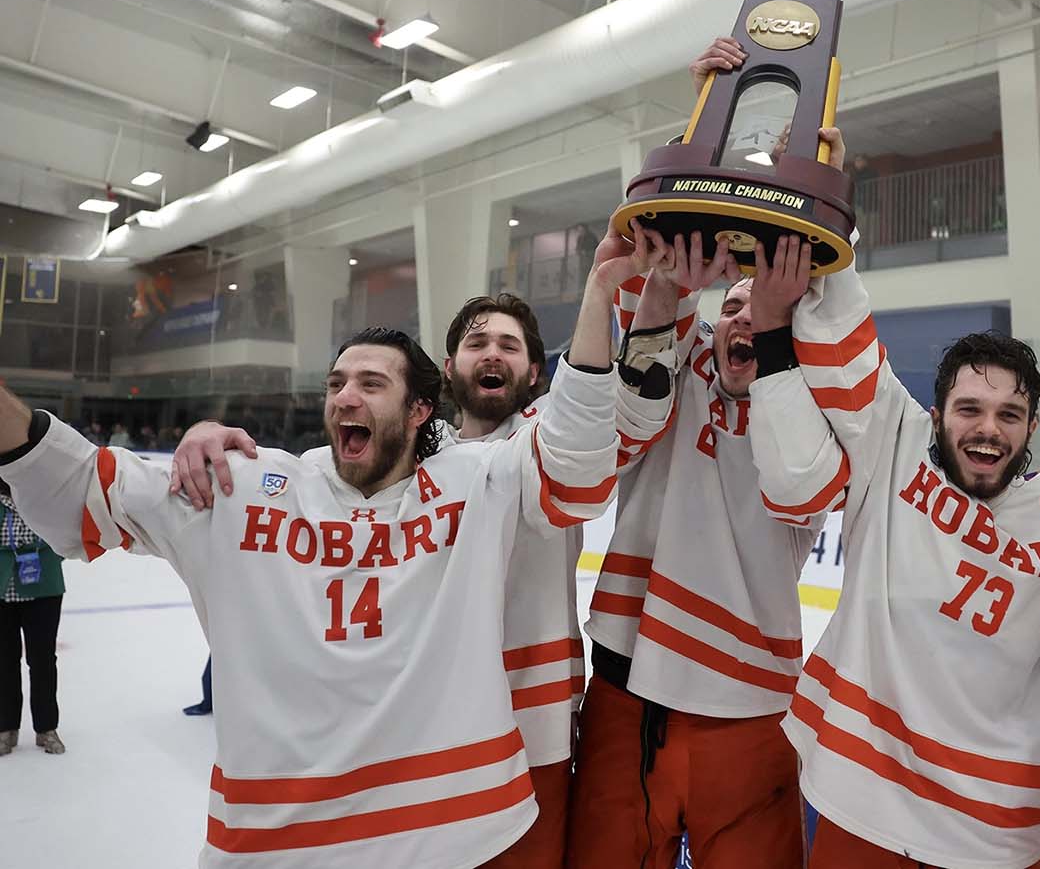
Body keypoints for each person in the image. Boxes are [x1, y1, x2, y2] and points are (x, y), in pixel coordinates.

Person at [0, 233, 653, 867]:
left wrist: (601, 291)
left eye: (371, 383)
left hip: (463, 816)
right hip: (285, 840)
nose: (346, 395)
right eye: (337, 382)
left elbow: (575, 458)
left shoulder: (481, 478)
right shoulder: (245, 484)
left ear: (421, 408)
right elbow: (76, 483)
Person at [175, 232, 717, 869]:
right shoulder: (405, 461)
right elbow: (310, 478)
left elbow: (628, 412)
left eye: (510, 346)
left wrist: (658, 294)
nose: (493, 354)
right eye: (477, 343)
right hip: (423, 726)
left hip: (531, 716)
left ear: (535, 373)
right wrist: (206, 432)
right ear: (449, 368)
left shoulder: (552, 440)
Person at [747, 221, 1040, 867]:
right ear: (936, 415)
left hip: (997, 833)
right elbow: (844, 333)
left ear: (1030, 430)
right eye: (969, 409)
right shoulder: (894, 442)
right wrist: (824, 205)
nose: (988, 430)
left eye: (1009, 416)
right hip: (864, 803)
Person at [566, 41, 838, 869]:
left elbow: (800, 492)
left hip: (750, 700)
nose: (745, 316)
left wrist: (824, 174)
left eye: (767, 308)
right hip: (624, 684)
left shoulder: (811, 409)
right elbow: (625, 425)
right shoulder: (673, 359)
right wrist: (712, 113)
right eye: (735, 302)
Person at [0, 479, 67, 755]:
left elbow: (65, 536)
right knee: (3, 660)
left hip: (45, 587)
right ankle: (6, 728)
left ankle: (46, 728)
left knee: (43, 660)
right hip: (3, 589)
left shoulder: (43, 494)